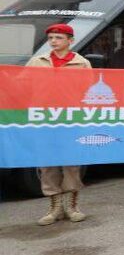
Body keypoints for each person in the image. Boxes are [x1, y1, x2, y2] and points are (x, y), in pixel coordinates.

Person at [26, 24, 92, 225]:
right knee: (47, 164)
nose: (53, 41)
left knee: (71, 163)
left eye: (59, 38)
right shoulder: (37, 62)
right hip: (44, 119)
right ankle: (55, 207)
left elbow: (89, 92)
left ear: (70, 41)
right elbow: (22, 85)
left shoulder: (82, 64)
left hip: (71, 120)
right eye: (51, 38)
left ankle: (72, 206)